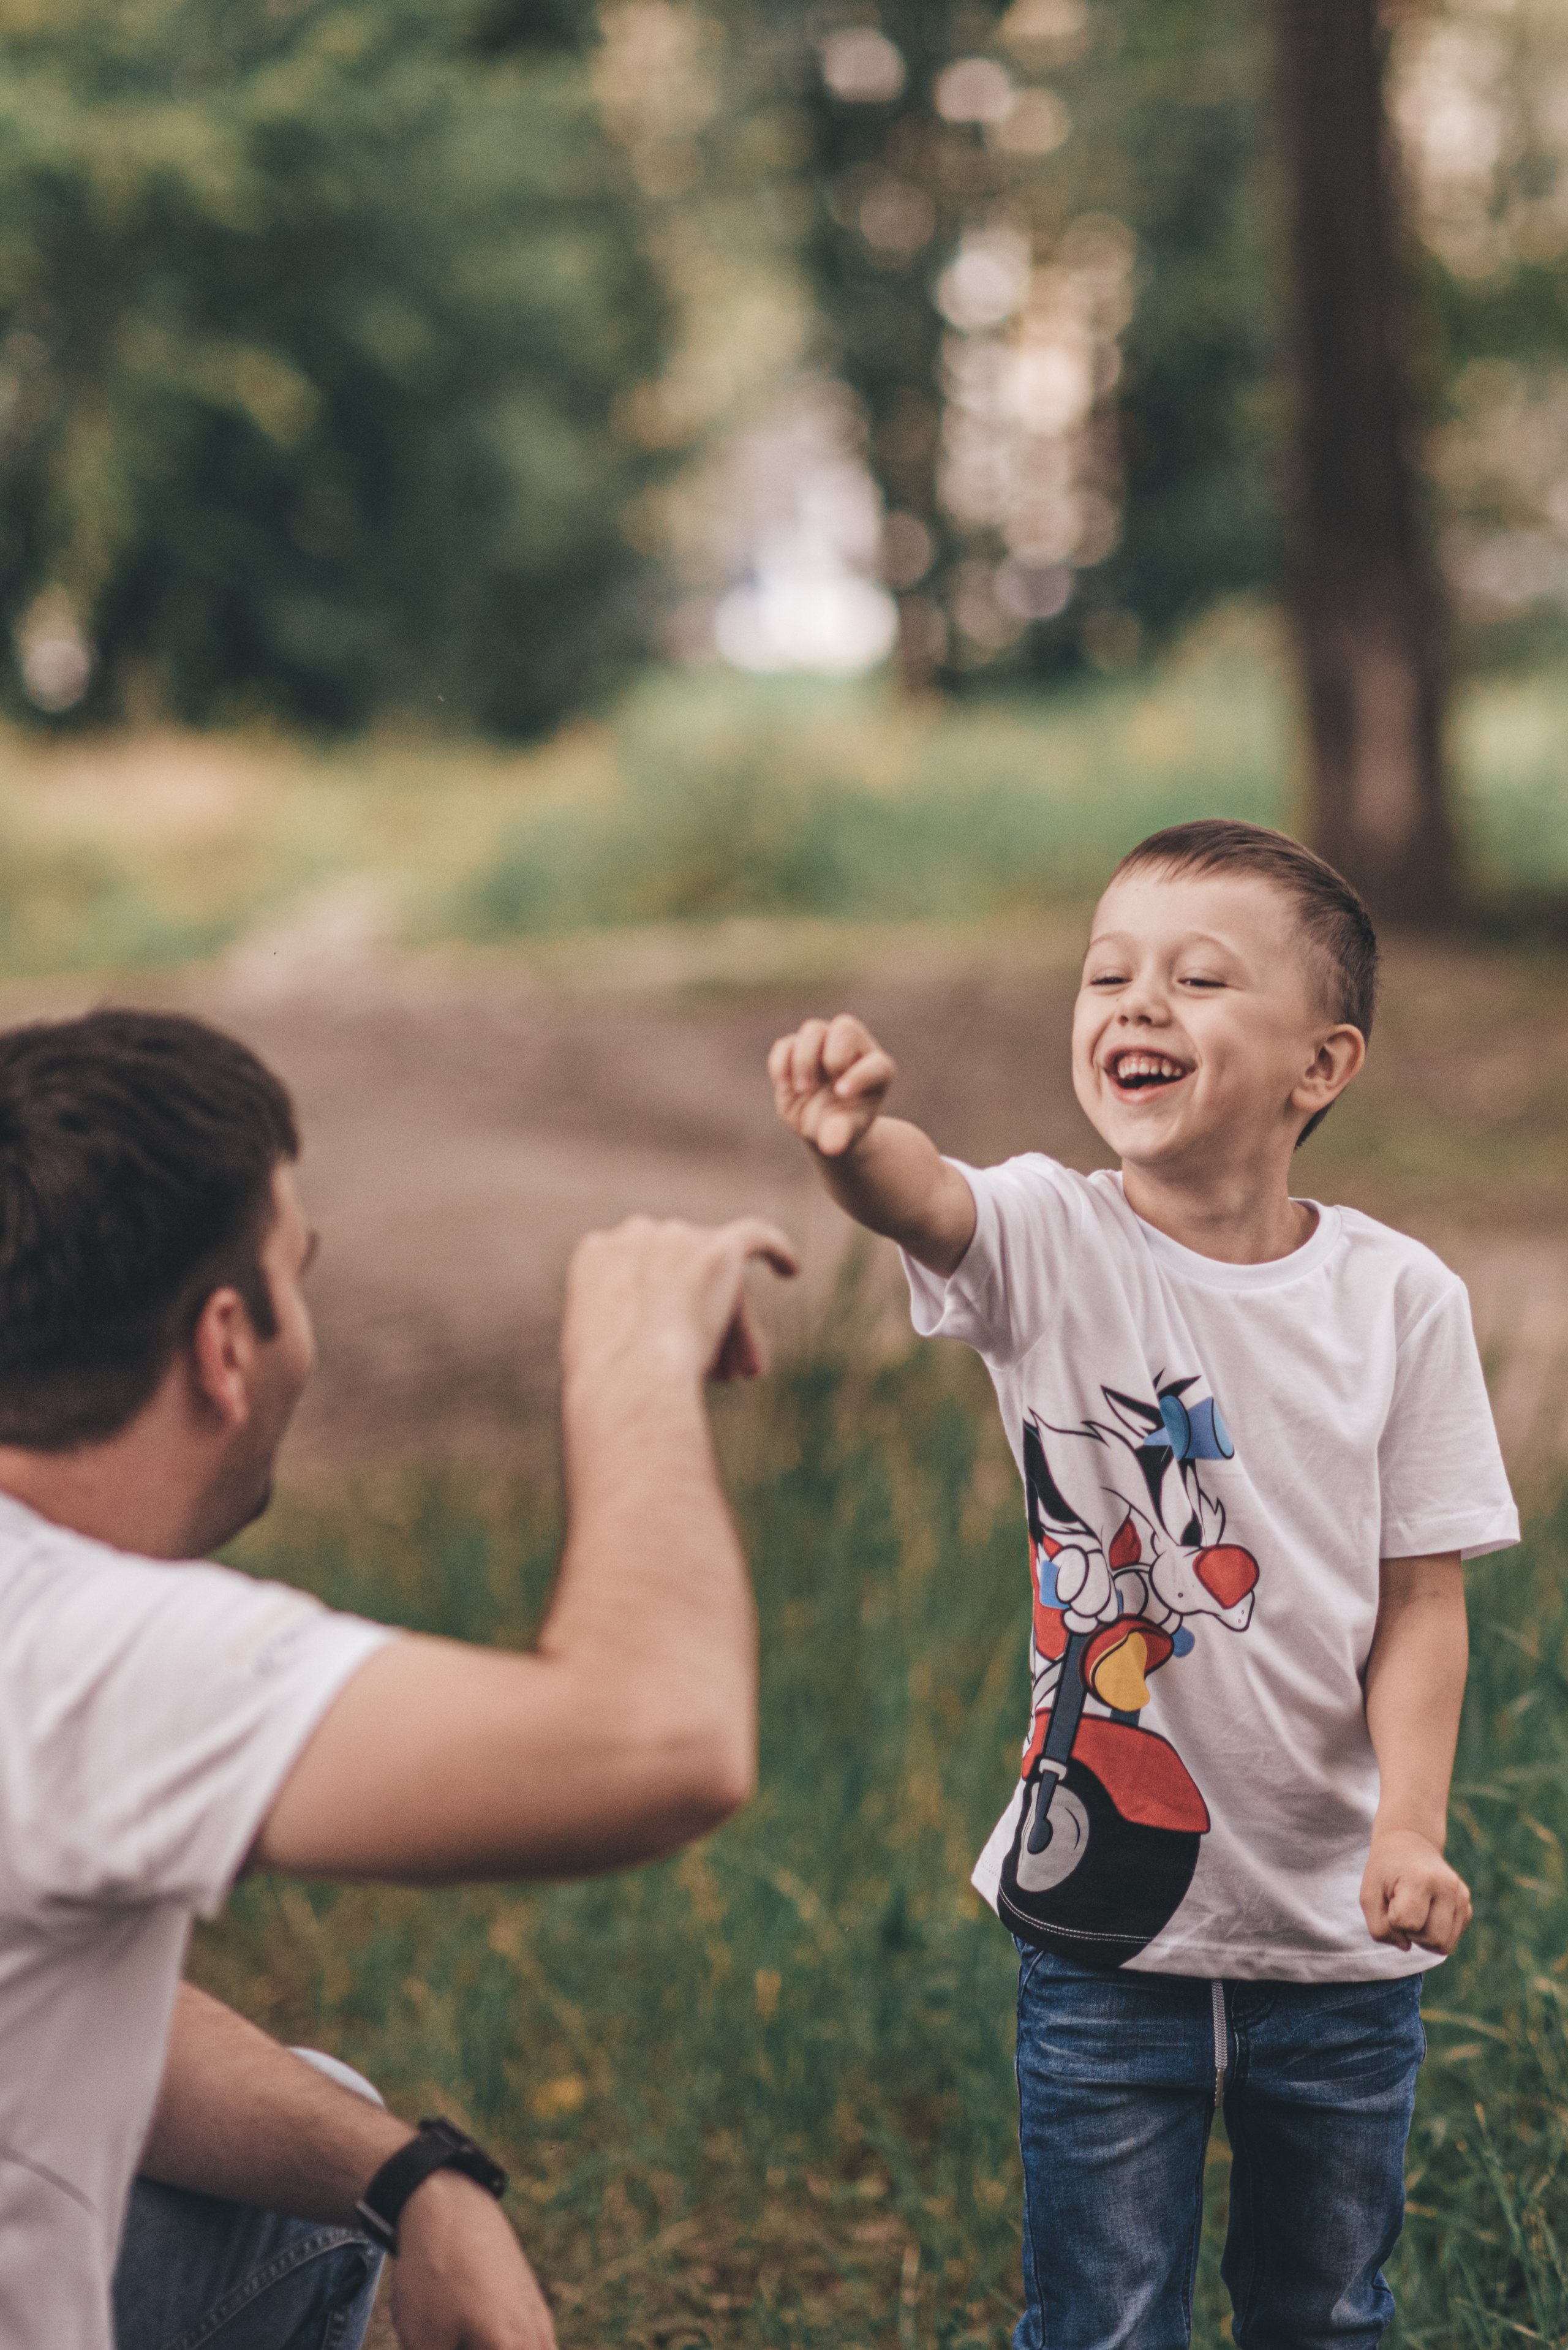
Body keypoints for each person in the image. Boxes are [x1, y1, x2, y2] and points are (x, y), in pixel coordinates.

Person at [769, 818, 1518, 2350]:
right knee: (1100, 2322)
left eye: (1196, 978)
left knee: (1323, 2310)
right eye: (1107, 972)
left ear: (1321, 1064)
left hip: (1338, 1934)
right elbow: (932, 1200)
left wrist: (1409, 1825)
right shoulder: (1056, 1238)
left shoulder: (1397, 1302)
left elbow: (1421, 1599)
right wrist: (850, 1146)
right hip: (1104, 1933)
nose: (1134, 1004)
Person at [0, 1007, 796, 2350]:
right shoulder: (78, 1646)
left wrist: (411, 2178)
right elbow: (662, 1741)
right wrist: (628, 1359)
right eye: (296, 1274)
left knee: (317, 2129)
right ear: (226, 1343)